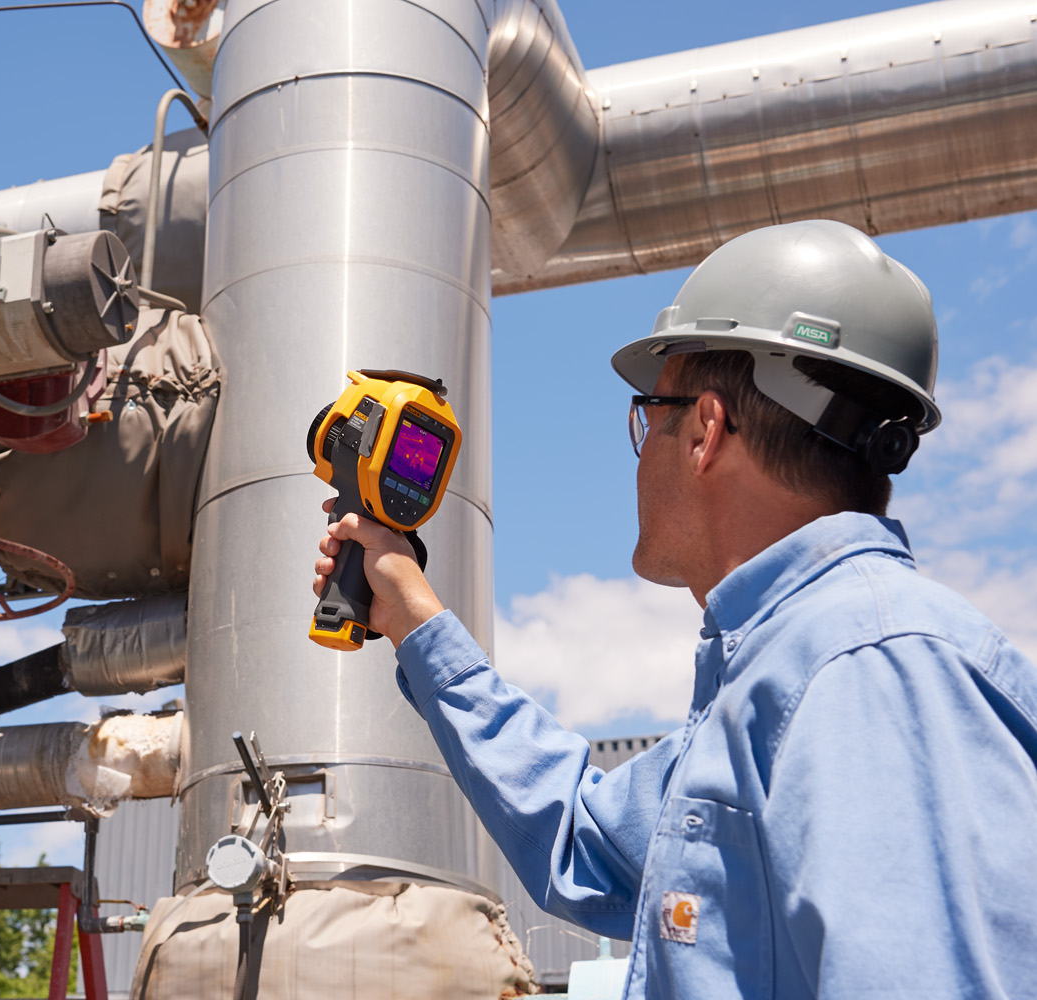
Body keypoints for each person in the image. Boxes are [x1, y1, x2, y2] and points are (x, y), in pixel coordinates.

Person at [312, 220, 1037, 998]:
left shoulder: (874, 672)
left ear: (704, 428)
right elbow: (584, 838)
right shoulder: (779, 678)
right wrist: (420, 627)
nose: (640, 449)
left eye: (647, 417)